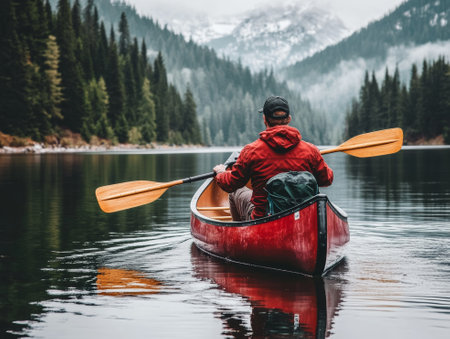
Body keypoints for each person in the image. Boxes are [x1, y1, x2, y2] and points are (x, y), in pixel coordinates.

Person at [213, 95, 333, 221]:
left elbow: (231, 184)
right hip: (302, 220)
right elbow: (327, 179)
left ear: (265, 119)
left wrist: (221, 173)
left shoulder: (251, 151)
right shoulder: (311, 150)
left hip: (262, 220)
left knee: (235, 192)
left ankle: (239, 232)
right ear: (289, 119)